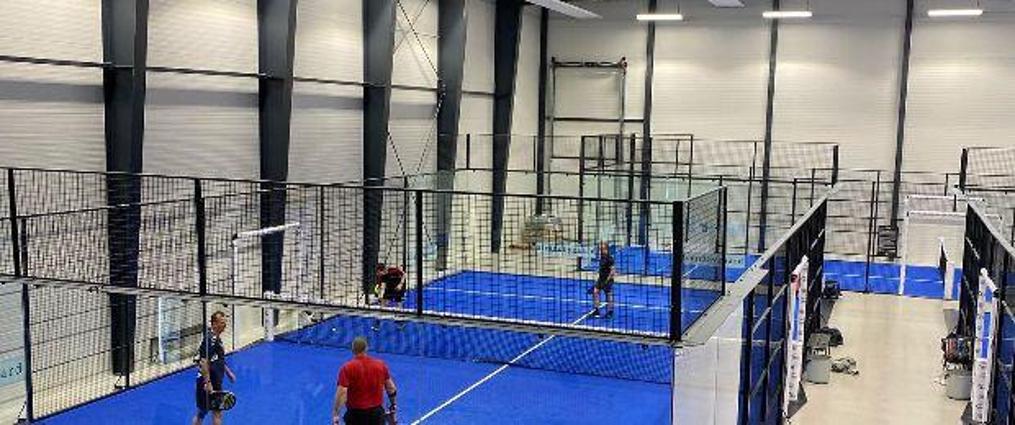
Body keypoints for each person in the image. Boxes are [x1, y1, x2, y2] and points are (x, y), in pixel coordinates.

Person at [333, 337, 398, 425]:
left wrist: (336, 413)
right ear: (366, 348)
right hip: (377, 414)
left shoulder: (347, 368)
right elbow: (391, 388)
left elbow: (342, 393)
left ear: (353, 350)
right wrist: (393, 404)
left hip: (355, 415)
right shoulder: (380, 365)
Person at [193, 311, 237, 425]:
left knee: (217, 412)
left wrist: (228, 372)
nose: (225, 325)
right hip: (206, 382)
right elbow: (203, 362)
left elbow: (218, 358)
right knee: (202, 413)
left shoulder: (217, 338)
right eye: (222, 322)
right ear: (214, 324)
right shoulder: (210, 340)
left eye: (225, 322)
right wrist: (207, 383)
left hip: (216, 380)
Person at [592, 242, 615, 318]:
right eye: (601, 249)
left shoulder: (610, 258)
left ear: (607, 249)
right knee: (595, 292)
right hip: (601, 279)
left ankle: (610, 312)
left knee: (608, 295)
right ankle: (596, 310)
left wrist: (607, 281)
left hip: (608, 279)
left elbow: (612, 271)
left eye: (603, 249)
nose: (601, 250)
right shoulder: (602, 257)